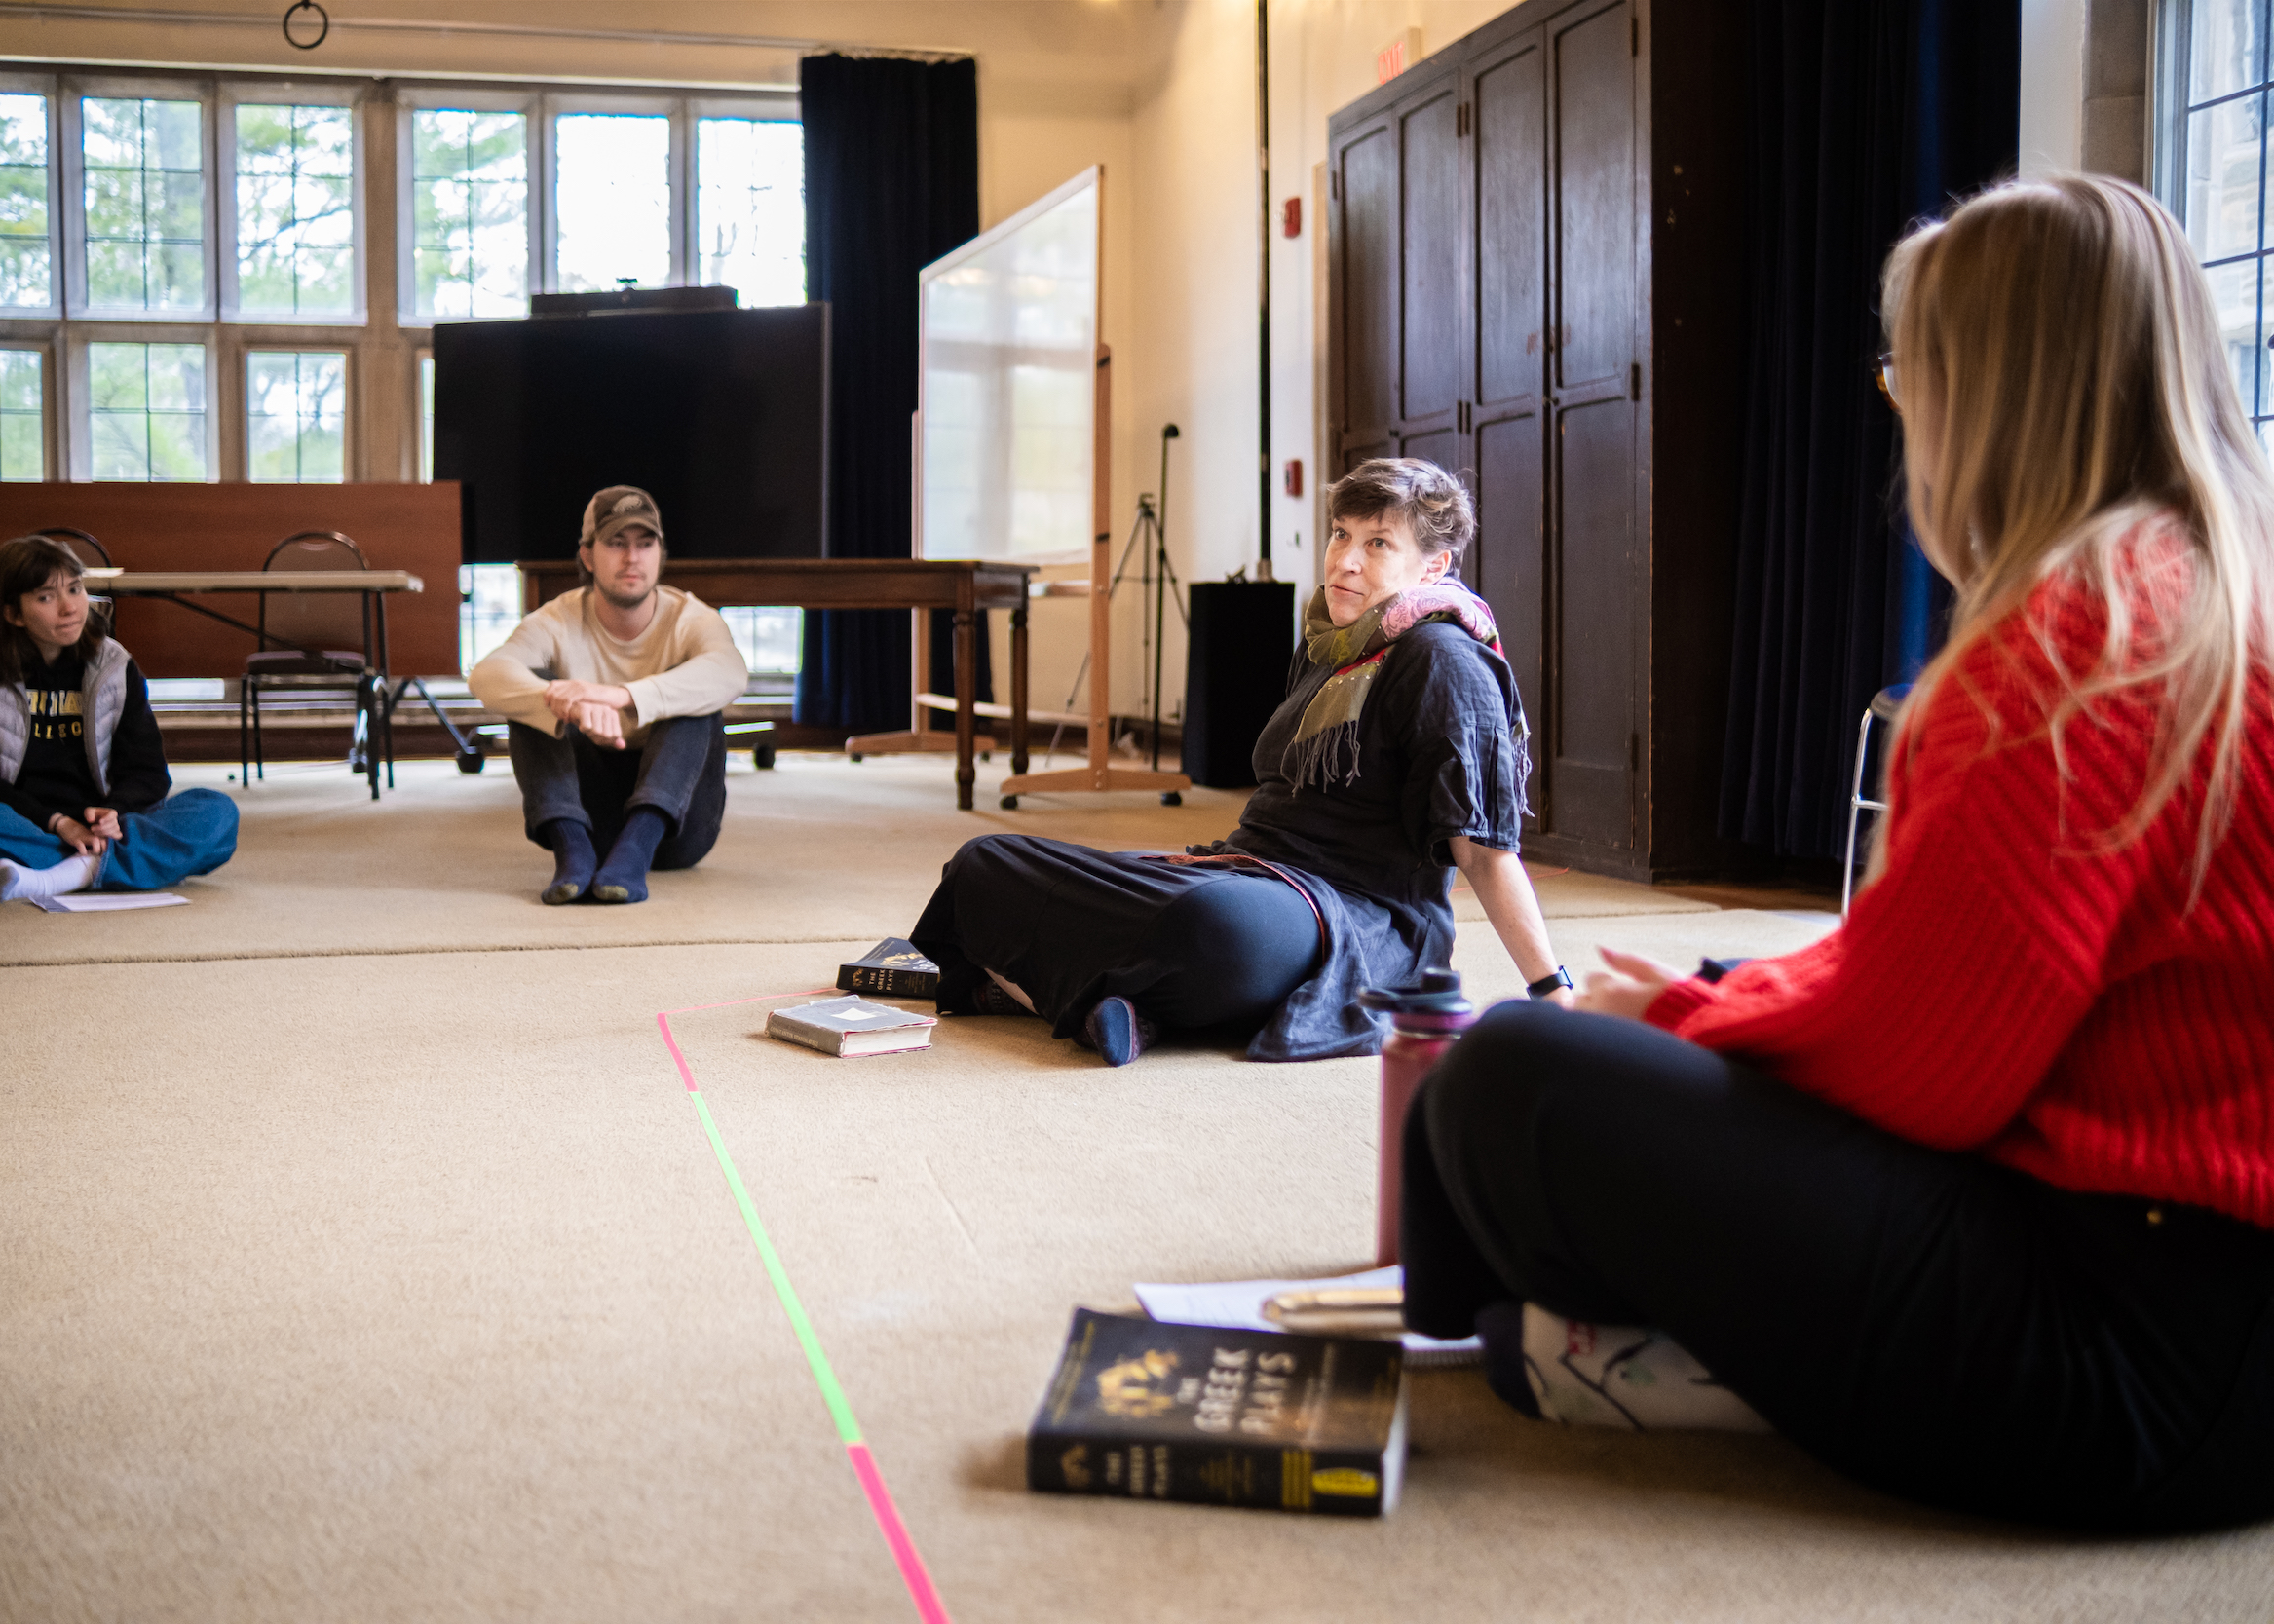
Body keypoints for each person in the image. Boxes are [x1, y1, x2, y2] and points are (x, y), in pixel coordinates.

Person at [1399, 176, 2274, 1533]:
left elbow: (1922, 1072)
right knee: (1693, 1006)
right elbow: (1974, 983)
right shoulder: (2212, 596)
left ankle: (1516, 1333)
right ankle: (1532, 1318)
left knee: (1516, 1071)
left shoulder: (2069, 646)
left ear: (1979, 395)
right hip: (2211, 1314)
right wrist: (1719, 1002)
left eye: (1905, 375)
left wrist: (1691, 1017)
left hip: (2132, 1369)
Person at [909, 457, 1569, 1066]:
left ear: (1433, 566)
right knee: (982, 863)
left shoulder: (1446, 662)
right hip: (1243, 869)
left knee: (1212, 926)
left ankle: (1065, 991)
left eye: (1378, 543)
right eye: (1341, 534)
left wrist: (1552, 991)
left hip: (1352, 917)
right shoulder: (1332, 645)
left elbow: (1483, 852)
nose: (1345, 560)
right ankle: (1124, 1010)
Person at [0, 534, 239, 901]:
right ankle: (108, 867)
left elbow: (147, 772)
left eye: (75, 589)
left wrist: (114, 812)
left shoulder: (114, 664)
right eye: (46, 597)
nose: (70, 608)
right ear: (13, 613)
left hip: (103, 825)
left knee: (217, 812)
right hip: (24, 823)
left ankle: (55, 876)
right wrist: (58, 823)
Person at [469, 485, 748, 904]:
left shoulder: (692, 618)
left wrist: (620, 695)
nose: (632, 557)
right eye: (616, 543)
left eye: (645, 543)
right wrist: (568, 701)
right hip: (590, 821)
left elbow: (731, 671)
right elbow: (486, 675)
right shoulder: (556, 619)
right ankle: (572, 851)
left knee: (694, 694)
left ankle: (637, 847)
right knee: (535, 694)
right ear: (587, 555)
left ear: (660, 553)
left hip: (677, 830)